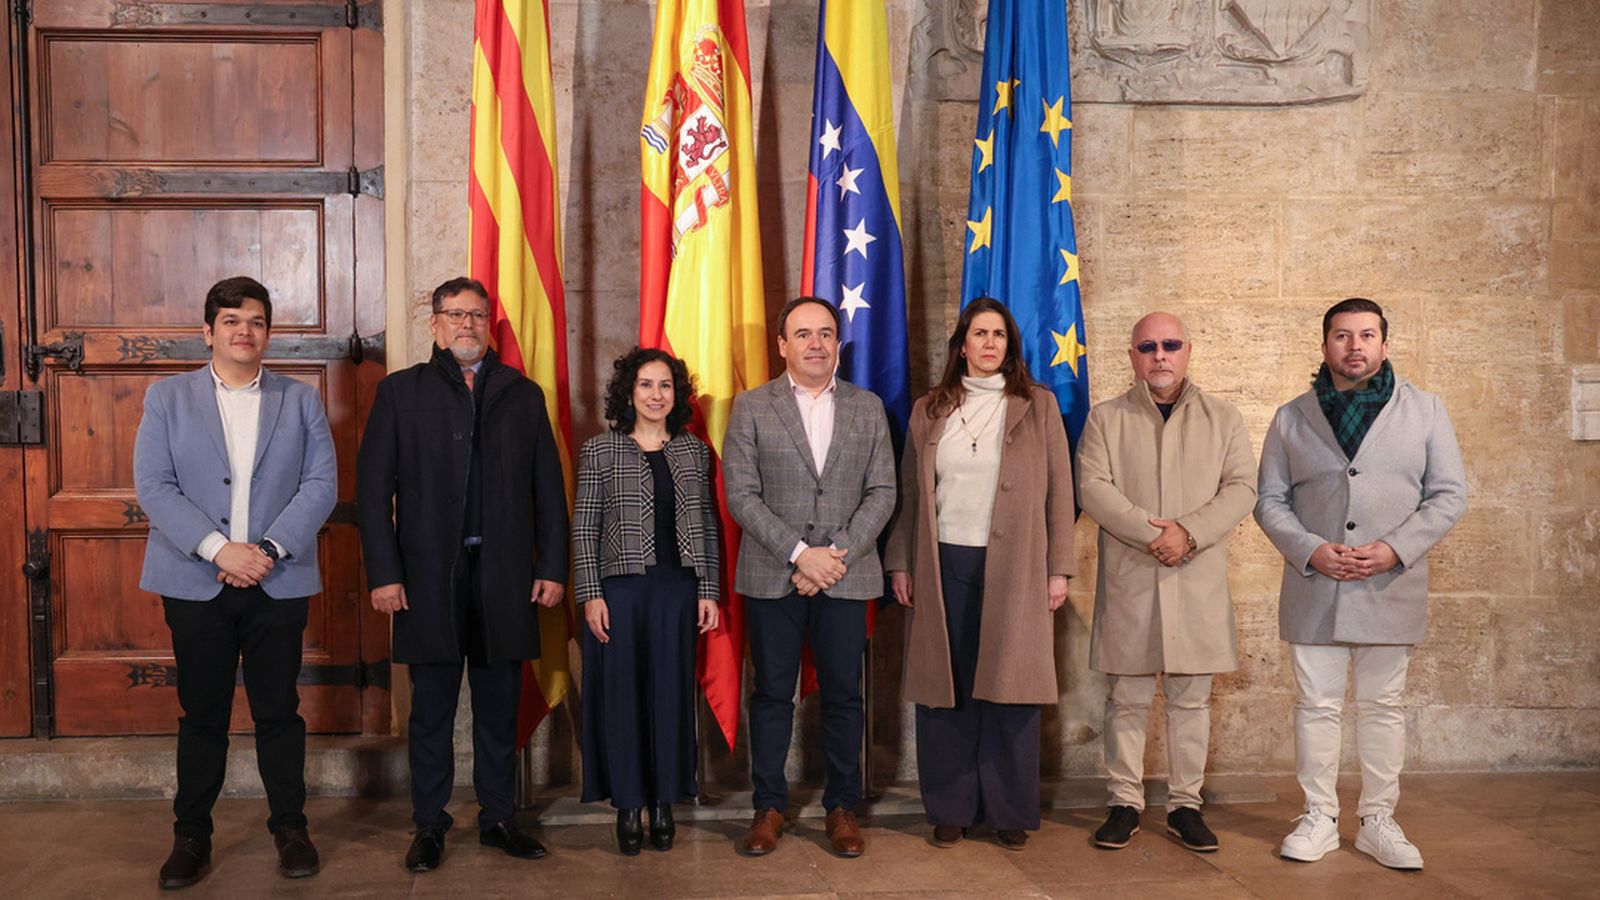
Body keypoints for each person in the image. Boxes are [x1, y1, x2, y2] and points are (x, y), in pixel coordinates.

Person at [355, 277, 569, 872]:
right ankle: (429, 823)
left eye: (477, 315)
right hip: (425, 580)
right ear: (434, 324)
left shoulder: (523, 395)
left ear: (489, 324)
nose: (466, 325)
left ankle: (498, 818)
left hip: (505, 577)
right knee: (432, 711)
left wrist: (551, 566)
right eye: (454, 315)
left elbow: (548, 491)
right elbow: (373, 495)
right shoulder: (401, 393)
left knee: (500, 707)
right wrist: (385, 574)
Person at [133, 276, 337, 889]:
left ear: (268, 333)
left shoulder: (300, 401)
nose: (244, 331)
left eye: (255, 321)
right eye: (230, 321)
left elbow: (321, 485)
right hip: (197, 580)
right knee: (203, 714)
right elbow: (155, 486)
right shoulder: (167, 398)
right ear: (208, 331)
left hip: (279, 579)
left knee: (279, 710)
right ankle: (191, 835)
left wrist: (267, 551)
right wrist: (223, 550)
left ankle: (291, 828)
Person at [1256, 297, 1466, 871]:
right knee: (1316, 707)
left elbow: (1449, 494)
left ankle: (1378, 819)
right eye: (1342, 336)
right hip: (1314, 586)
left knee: (1383, 705)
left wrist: (1393, 548)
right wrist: (1312, 550)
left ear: (1384, 343)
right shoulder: (1291, 416)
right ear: (1325, 345)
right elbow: (1269, 501)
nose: (1355, 346)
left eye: (1366, 335)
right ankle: (1319, 816)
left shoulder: (1425, 411)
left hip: (1389, 585)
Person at [883, 297, 1076, 852]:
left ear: (1010, 346)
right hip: (942, 562)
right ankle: (950, 807)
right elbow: (912, 493)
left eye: (998, 335)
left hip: (1016, 567)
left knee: (1010, 688)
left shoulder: (1037, 407)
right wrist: (900, 560)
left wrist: (1058, 569)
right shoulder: (930, 408)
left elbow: (1061, 493)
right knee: (946, 690)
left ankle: (1009, 809)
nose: (989, 344)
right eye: (978, 333)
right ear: (961, 344)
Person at [1075, 312, 1257, 853]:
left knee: (1191, 700)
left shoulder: (1222, 417)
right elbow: (1092, 487)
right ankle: (1124, 801)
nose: (1160, 355)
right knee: (1126, 697)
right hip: (1133, 574)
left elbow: (1243, 487)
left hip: (1194, 575)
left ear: (1187, 351)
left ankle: (1185, 806)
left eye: (1170, 345)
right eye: (1148, 346)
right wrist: (1149, 533)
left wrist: (1189, 533)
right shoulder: (1106, 419)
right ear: (1132, 355)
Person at [723, 296, 896, 858]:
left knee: (844, 696)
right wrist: (801, 554)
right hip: (774, 575)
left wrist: (832, 556)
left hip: (847, 576)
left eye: (825, 333)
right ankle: (769, 805)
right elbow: (741, 495)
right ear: (782, 344)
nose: (815, 343)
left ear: (838, 343)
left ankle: (842, 808)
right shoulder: (750, 407)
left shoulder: (868, 408)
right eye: (803, 334)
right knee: (773, 694)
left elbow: (884, 492)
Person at [574, 348, 722, 855]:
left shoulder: (694, 452)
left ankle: (664, 801)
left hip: (676, 590)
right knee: (623, 698)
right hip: (620, 591)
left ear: (676, 395)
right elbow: (584, 529)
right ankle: (629, 805)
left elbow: (706, 526)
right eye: (646, 385)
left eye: (665, 386)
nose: (656, 395)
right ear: (628, 393)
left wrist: (708, 589)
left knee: (670, 695)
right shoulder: (599, 450)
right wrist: (590, 594)